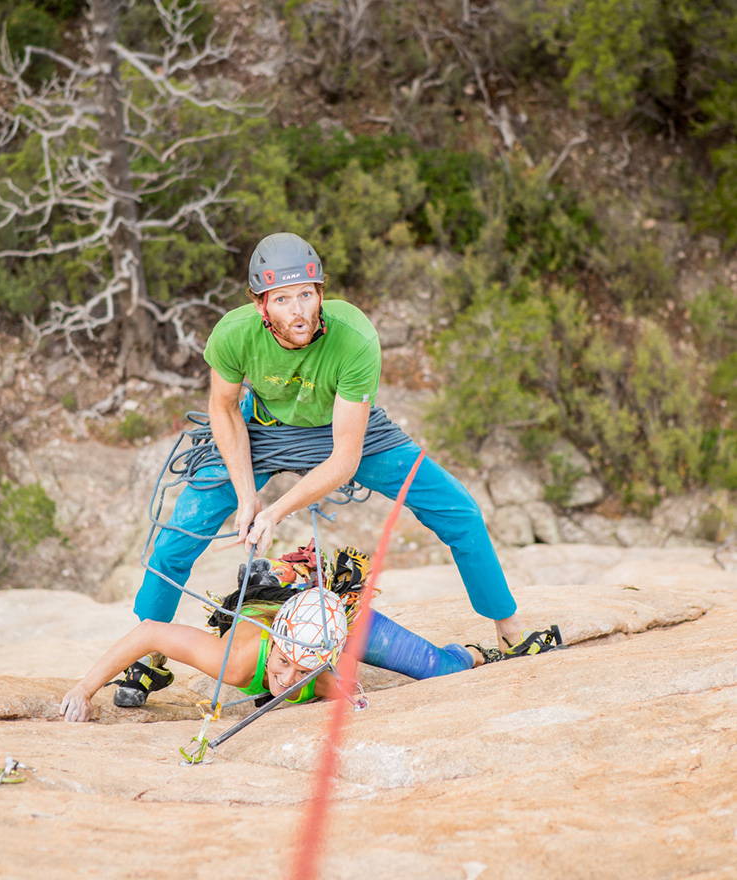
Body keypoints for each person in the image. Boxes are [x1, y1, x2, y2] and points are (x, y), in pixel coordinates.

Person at [120, 232, 559, 704]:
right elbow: (225, 410)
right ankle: (148, 654)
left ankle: (509, 632)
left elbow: (344, 458)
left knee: (459, 512)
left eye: (306, 294)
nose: (298, 311)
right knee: (180, 531)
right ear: (260, 305)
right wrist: (248, 496)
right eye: (283, 299)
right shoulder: (234, 333)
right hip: (264, 429)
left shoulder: (354, 338)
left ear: (321, 293)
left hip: (347, 430)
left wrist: (274, 512)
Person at [60, 546, 505, 723]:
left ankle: (472, 652)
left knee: (442, 670)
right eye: (283, 664)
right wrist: (84, 688)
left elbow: (335, 683)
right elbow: (150, 632)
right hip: (286, 615)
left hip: (335, 624)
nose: (287, 678)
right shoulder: (236, 661)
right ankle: (267, 576)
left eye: (300, 672)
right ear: (273, 649)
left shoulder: (319, 671)